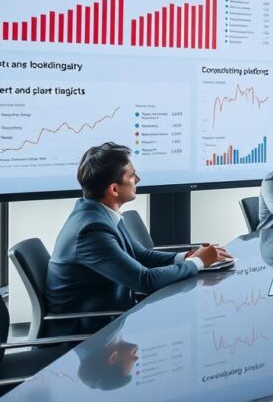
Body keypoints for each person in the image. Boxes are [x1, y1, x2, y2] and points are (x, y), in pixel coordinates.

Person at [47, 143, 228, 335]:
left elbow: (141, 255)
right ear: (114, 189)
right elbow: (144, 280)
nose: (138, 179)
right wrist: (198, 262)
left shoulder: (100, 213)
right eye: (132, 175)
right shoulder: (91, 230)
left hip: (109, 317)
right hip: (86, 334)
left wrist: (187, 256)